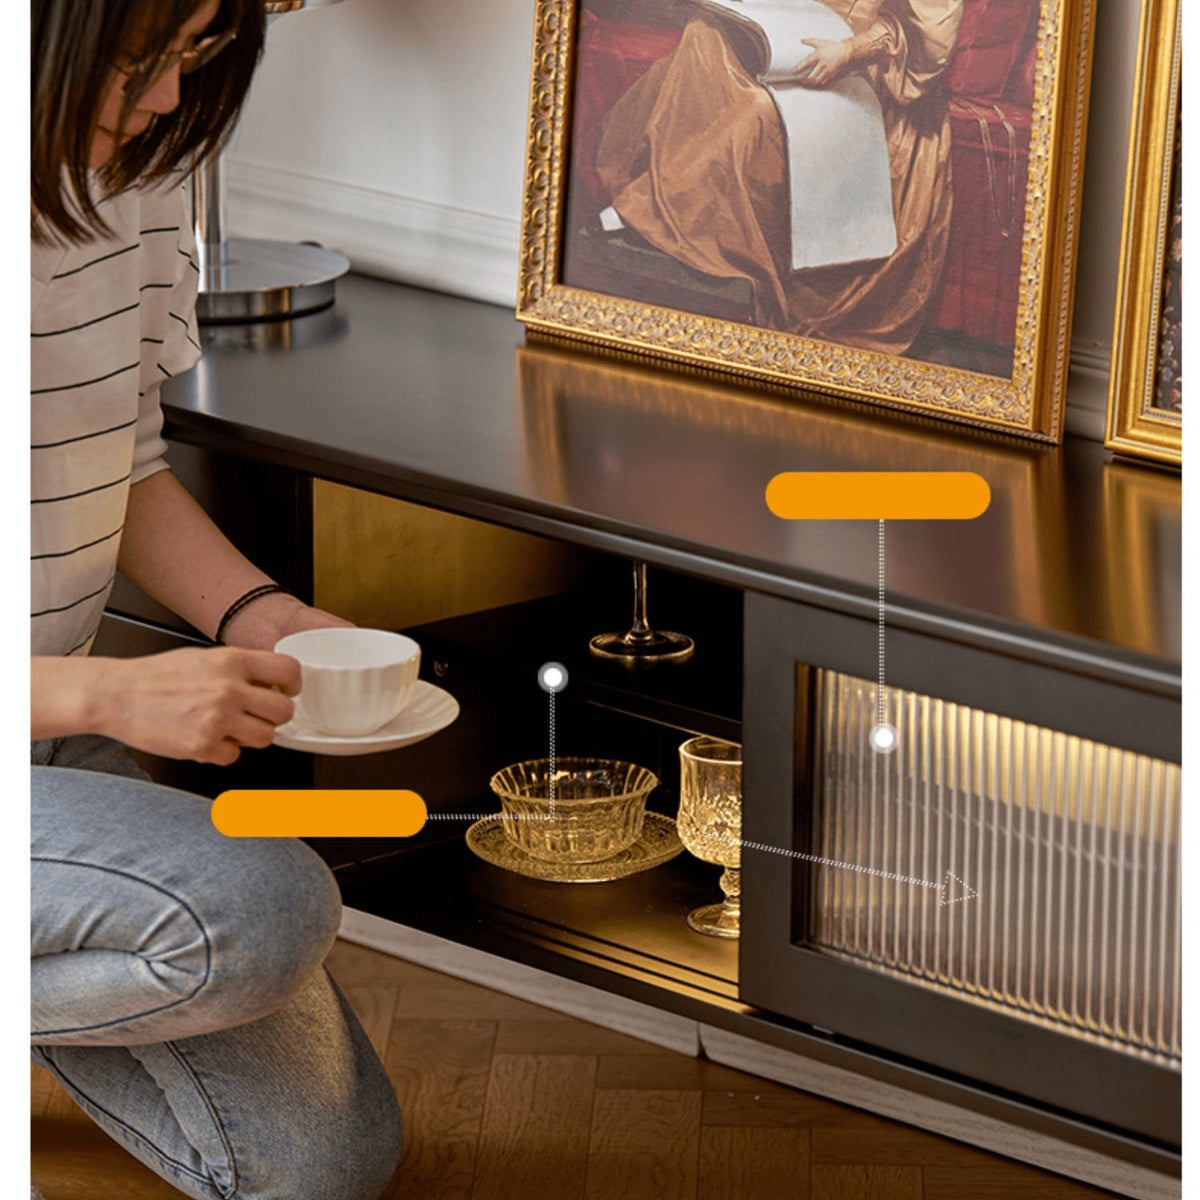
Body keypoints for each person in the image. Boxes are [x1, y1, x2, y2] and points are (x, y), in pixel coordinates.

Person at [31, 2, 404, 1197]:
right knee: (255, 904)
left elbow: (117, 459)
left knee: (320, 1168)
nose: (164, 102)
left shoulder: (130, 174)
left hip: (42, 730)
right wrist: (102, 691)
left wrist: (255, 613)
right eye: (139, 61)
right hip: (52, 705)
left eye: (191, 57)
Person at [592, 0, 963, 355]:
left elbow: (931, 38)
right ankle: (657, 202)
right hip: (799, 34)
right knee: (703, 33)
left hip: (871, 71)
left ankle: (655, 209)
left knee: (757, 113)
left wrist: (848, 51)